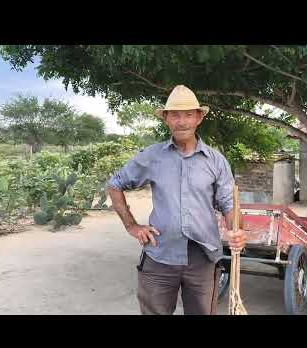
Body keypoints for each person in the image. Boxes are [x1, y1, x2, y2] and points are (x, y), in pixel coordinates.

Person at [106, 85, 247, 315]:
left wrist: (237, 230)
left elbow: (230, 204)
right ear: (166, 119)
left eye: (188, 114)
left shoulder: (216, 161)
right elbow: (114, 185)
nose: (182, 121)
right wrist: (132, 225)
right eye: (175, 115)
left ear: (199, 118)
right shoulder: (152, 156)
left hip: (203, 258)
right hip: (159, 255)